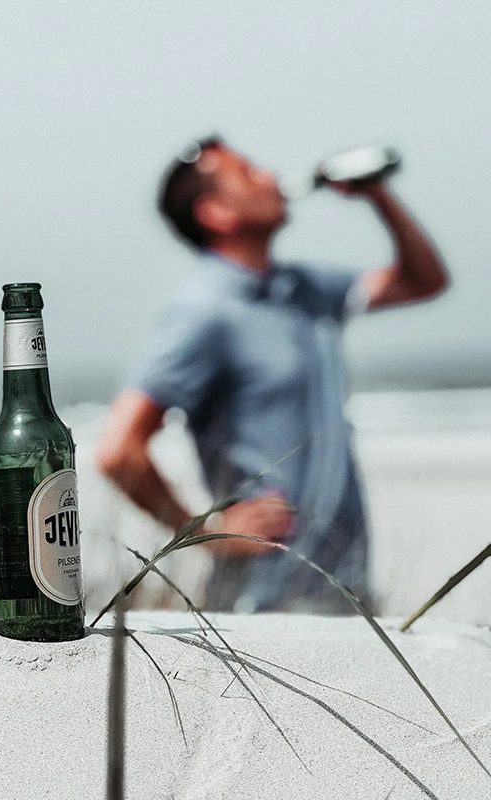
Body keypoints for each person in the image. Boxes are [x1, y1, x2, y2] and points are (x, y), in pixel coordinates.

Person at [96, 135, 448, 614]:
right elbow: (119, 450)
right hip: (262, 602)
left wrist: (377, 195)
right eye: (247, 173)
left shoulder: (304, 288)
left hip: (345, 589)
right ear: (216, 212)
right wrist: (206, 534)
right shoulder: (205, 313)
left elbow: (424, 281)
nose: (269, 176)